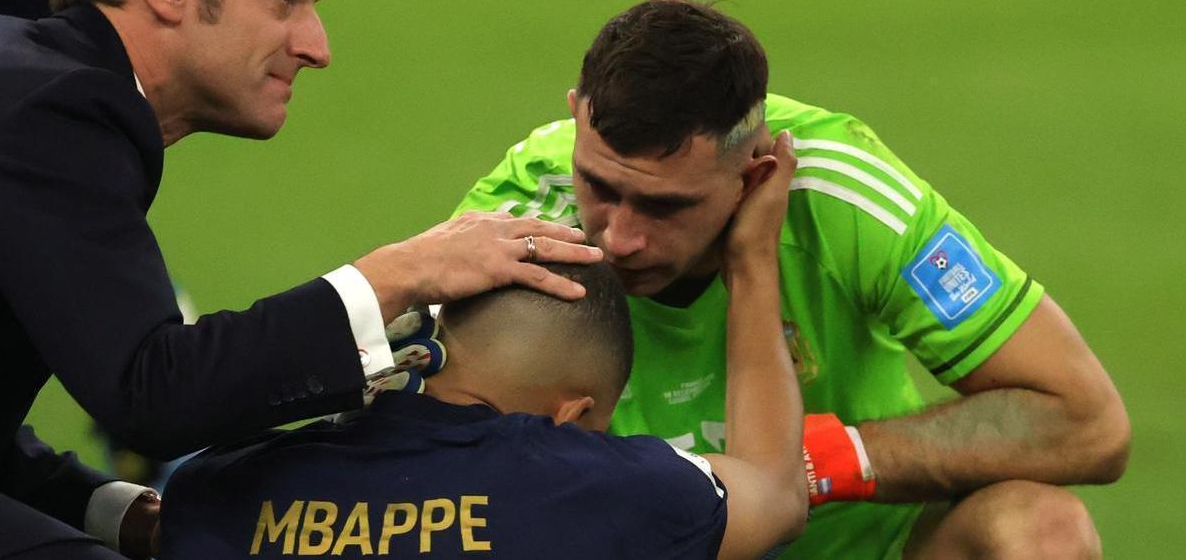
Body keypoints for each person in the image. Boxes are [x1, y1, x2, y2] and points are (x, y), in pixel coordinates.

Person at [0, 0, 599, 558]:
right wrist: (396, 275)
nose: (317, 45)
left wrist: (126, 513)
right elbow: (152, 391)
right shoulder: (57, 112)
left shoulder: (34, 85)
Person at [453, 0, 1131, 559]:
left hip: (860, 547)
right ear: (577, 116)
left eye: (667, 206)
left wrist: (821, 460)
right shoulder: (515, 218)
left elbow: (1088, 421)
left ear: (753, 177)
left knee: (1044, 532)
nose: (620, 237)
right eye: (598, 185)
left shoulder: (846, 195)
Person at [160, 138, 807, 559]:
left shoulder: (220, 482)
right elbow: (774, 493)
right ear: (573, 416)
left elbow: (143, 524)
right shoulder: (615, 492)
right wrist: (751, 262)